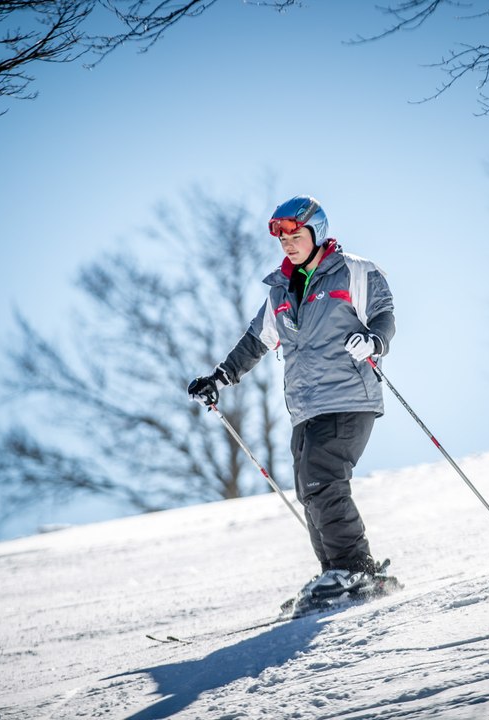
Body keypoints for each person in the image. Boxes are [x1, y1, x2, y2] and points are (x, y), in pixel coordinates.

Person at [187, 194, 397, 602]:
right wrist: (221, 377)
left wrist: (374, 342)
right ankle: (335, 574)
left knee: (323, 478)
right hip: (306, 407)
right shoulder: (281, 288)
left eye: (295, 235)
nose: (287, 243)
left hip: (348, 395)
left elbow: (384, 313)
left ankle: (354, 569)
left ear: (316, 232)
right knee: (309, 487)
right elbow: (257, 341)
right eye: (281, 238)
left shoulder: (353, 271)